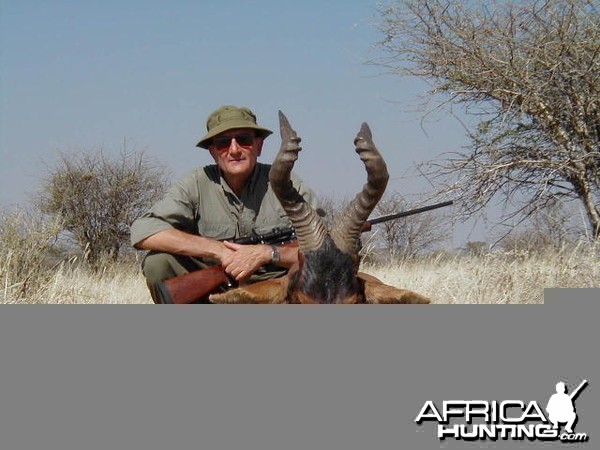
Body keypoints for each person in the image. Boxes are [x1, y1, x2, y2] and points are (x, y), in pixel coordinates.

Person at [130, 105, 320, 303]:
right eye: (223, 143)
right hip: (217, 286)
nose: (234, 149)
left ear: (259, 146)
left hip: (275, 286)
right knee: (157, 263)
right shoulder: (196, 182)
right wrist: (219, 251)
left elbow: (327, 252)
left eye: (244, 140)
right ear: (212, 152)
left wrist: (268, 253)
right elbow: (143, 230)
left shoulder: (285, 184)